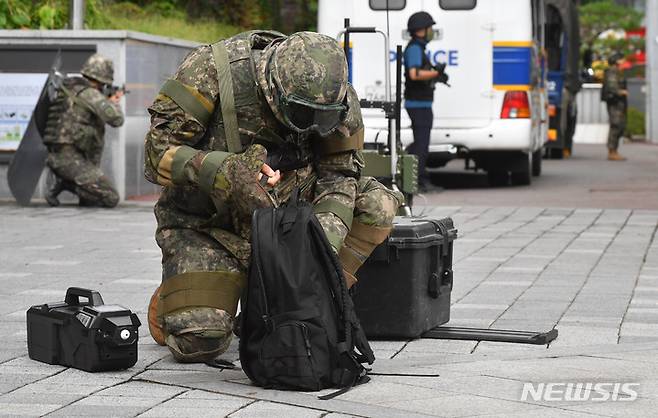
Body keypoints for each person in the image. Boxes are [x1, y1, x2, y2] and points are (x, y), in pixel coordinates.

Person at [143, 31, 403, 363]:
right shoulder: (210, 69)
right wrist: (226, 171)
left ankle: (311, 294)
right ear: (272, 90)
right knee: (200, 343)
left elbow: (339, 174)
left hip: (291, 219)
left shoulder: (334, 98)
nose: (311, 126)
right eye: (301, 114)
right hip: (211, 226)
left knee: (377, 205)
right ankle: (180, 291)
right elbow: (155, 155)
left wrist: (319, 249)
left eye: (320, 118)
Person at [43, 54, 124, 207]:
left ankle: (66, 181)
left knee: (90, 200)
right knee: (111, 197)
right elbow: (116, 119)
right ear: (102, 79)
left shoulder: (70, 88)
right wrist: (114, 103)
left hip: (64, 156)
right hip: (69, 159)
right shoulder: (89, 94)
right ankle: (63, 184)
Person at [403, 11, 447, 192]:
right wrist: (436, 73)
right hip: (417, 103)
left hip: (421, 103)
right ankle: (418, 181)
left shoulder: (419, 47)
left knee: (420, 143)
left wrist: (436, 75)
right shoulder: (414, 48)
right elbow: (414, 74)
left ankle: (409, 171)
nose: (431, 31)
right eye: (430, 28)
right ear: (422, 30)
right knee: (421, 144)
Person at [602, 53, 628, 161]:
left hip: (618, 102)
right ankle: (612, 151)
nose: (623, 61)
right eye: (622, 59)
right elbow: (612, 87)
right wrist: (621, 92)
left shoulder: (616, 71)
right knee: (616, 125)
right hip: (615, 102)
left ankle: (614, 150)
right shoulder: (612, 71)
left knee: (619, 125)